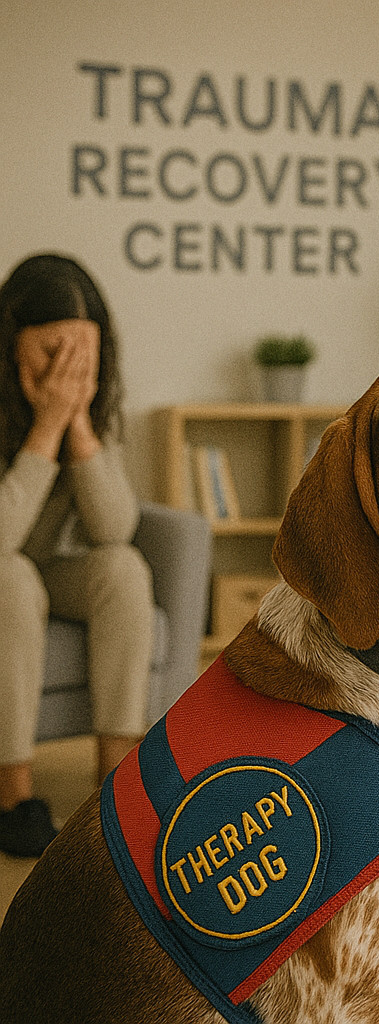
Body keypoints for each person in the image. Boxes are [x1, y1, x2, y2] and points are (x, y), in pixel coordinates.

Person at [0, 253, 154, 858]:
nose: (66, 370)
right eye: (49, 352)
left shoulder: (90, 404)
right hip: (8, 568)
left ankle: (114, 785)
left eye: (79, 355)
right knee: (9, 575)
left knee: (123, 567)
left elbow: (116, 527)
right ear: (10, 346)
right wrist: (45, 428)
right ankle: (12, 795)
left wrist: (78, 424)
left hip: (38, 569)